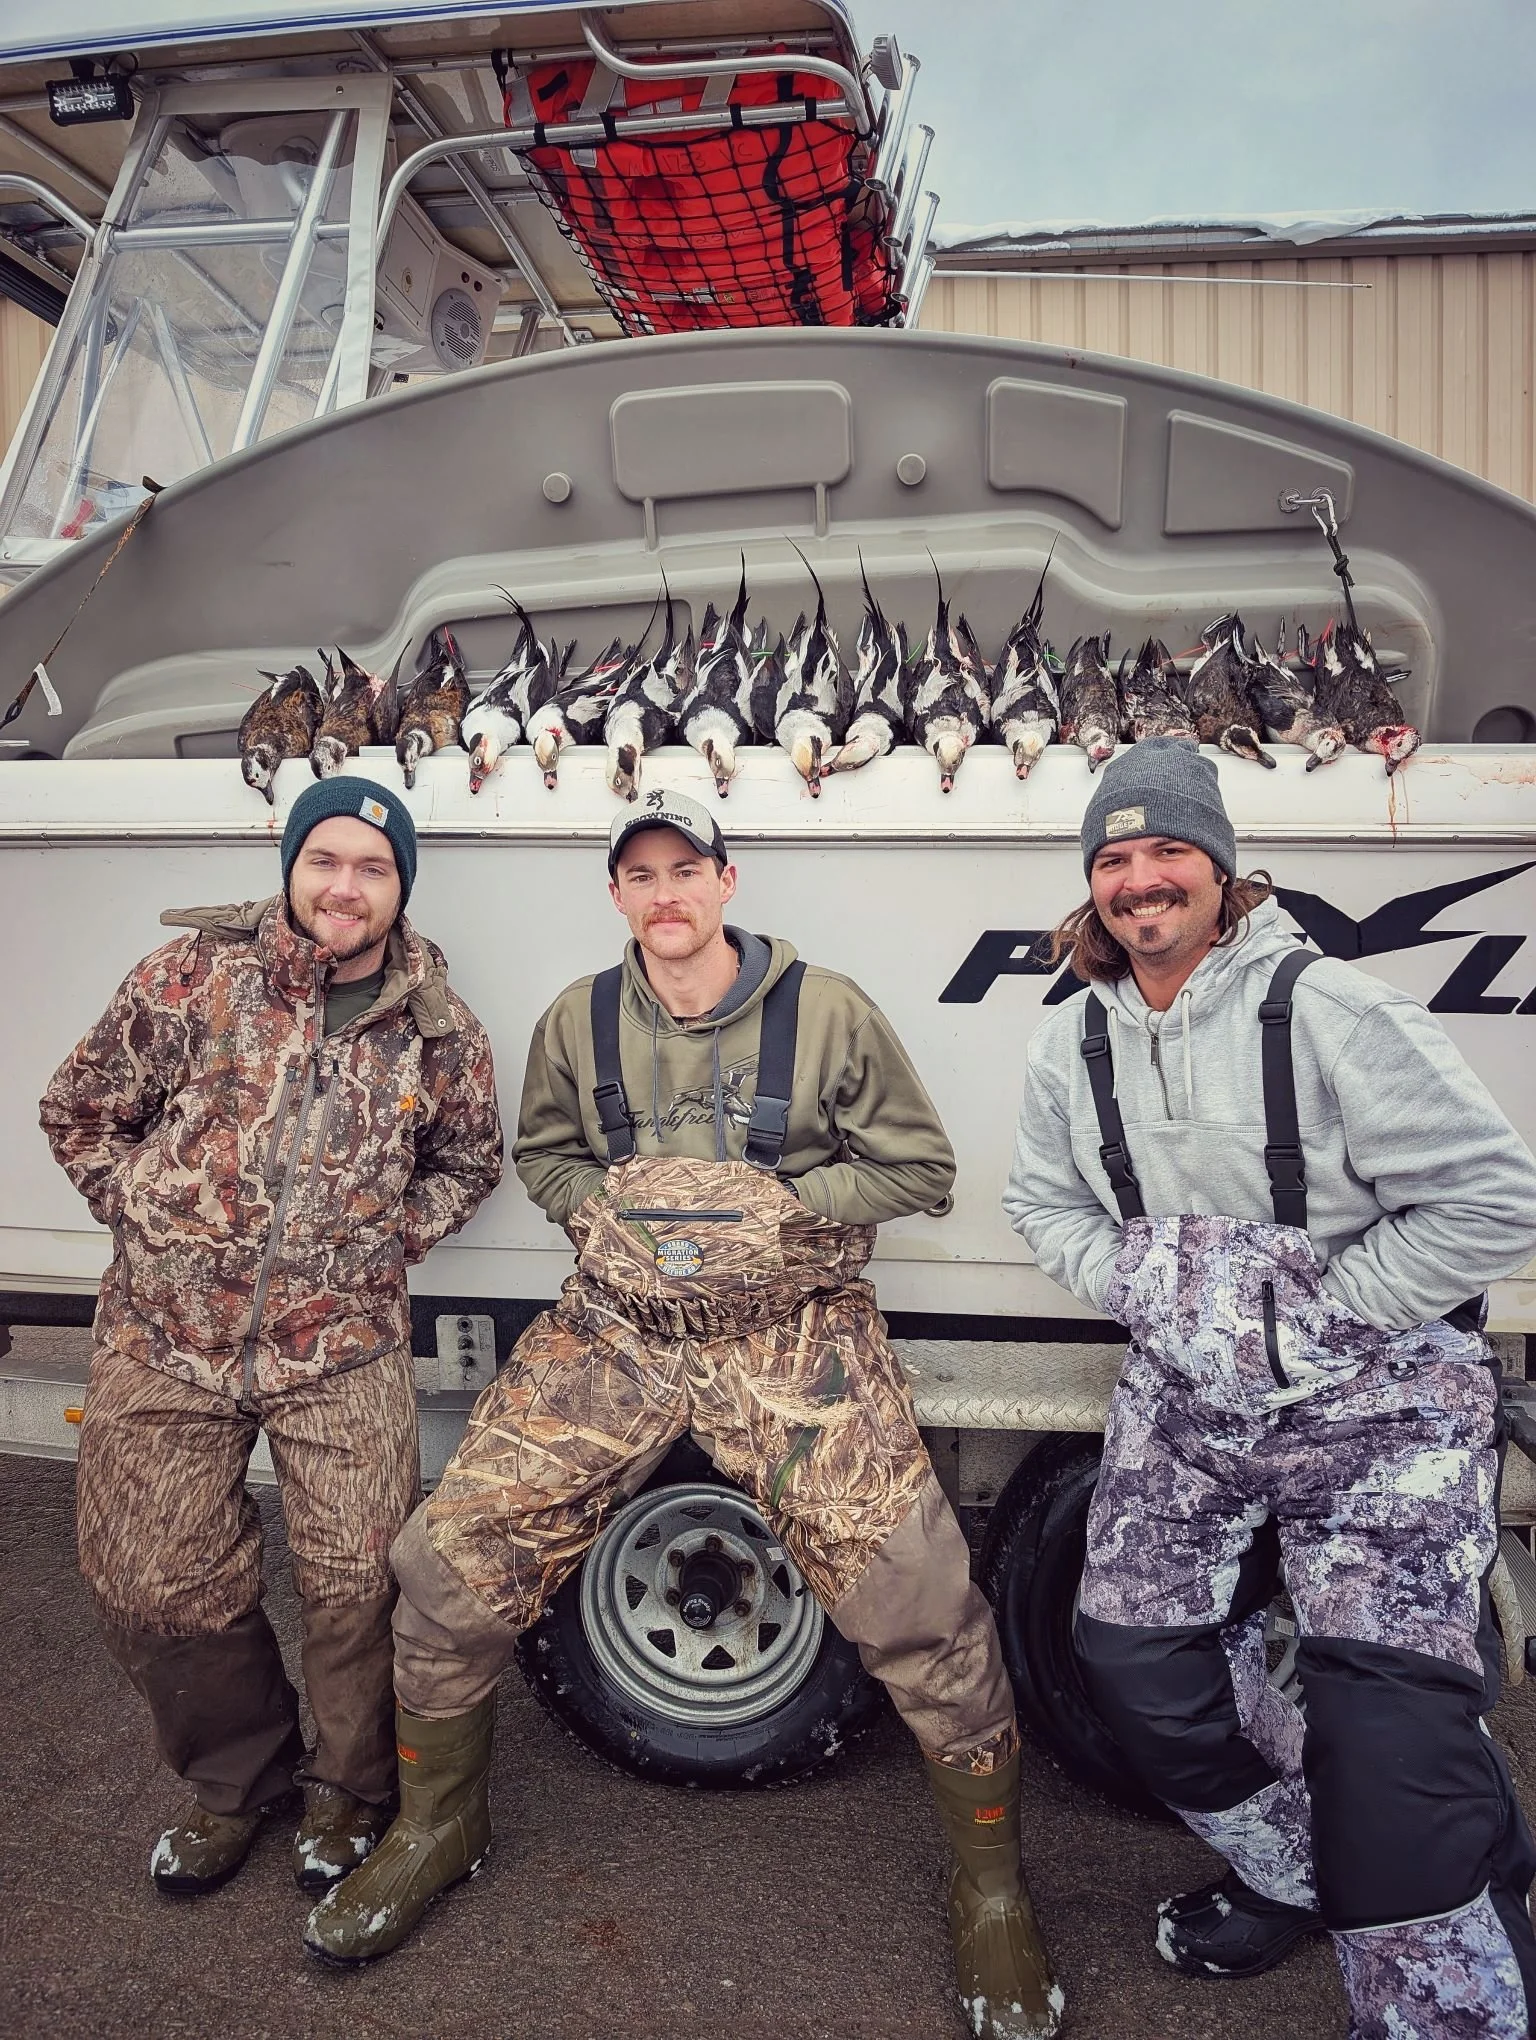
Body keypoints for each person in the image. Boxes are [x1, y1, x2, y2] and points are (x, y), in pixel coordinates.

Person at [303, 788, 1062, 2040]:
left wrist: (780, 1208)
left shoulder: (828, 1012)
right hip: (620, 1332)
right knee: (442, 1568)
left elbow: (920, 1169)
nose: (665, 895)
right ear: (617, 894)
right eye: (639, 875)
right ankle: (440, 1826)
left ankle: (991, 1891)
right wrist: (604, 1215)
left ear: (727, 879)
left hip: (792, 1334)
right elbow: (543, 1154)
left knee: (921, 1605)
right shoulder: (577, 1021)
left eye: (685, 869)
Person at [1003, 738, 1536, 2036]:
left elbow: (1492, 1198)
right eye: (1114, 858)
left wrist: (1322, 1316)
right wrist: (1148, 1287)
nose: (1141, 879)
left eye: (1168, 849)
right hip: (1192, 1407)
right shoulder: (1070, 1043)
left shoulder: (1329, 1009)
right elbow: (1043, 1202)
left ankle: (1449, 1993)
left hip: (1381, 1416)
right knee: (1133, 1663)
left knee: (1393, 1759)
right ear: (1092, 885)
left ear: (1224, 869)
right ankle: (1296, 1868)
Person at [40, 776, 503, 1899]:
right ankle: (235, 1784)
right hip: (166, 1336)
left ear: (400, 888)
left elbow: (470, 1161)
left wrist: (395, 1238)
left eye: (374, 869)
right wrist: (147, 1216)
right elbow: (80, 1108)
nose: (346, 887)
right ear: (291, 864)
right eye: (326, 861)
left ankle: (348, 1788)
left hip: (340, 1344)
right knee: (152, 1580)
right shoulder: (190, 977)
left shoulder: (434, 1025)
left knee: (357, 1580)